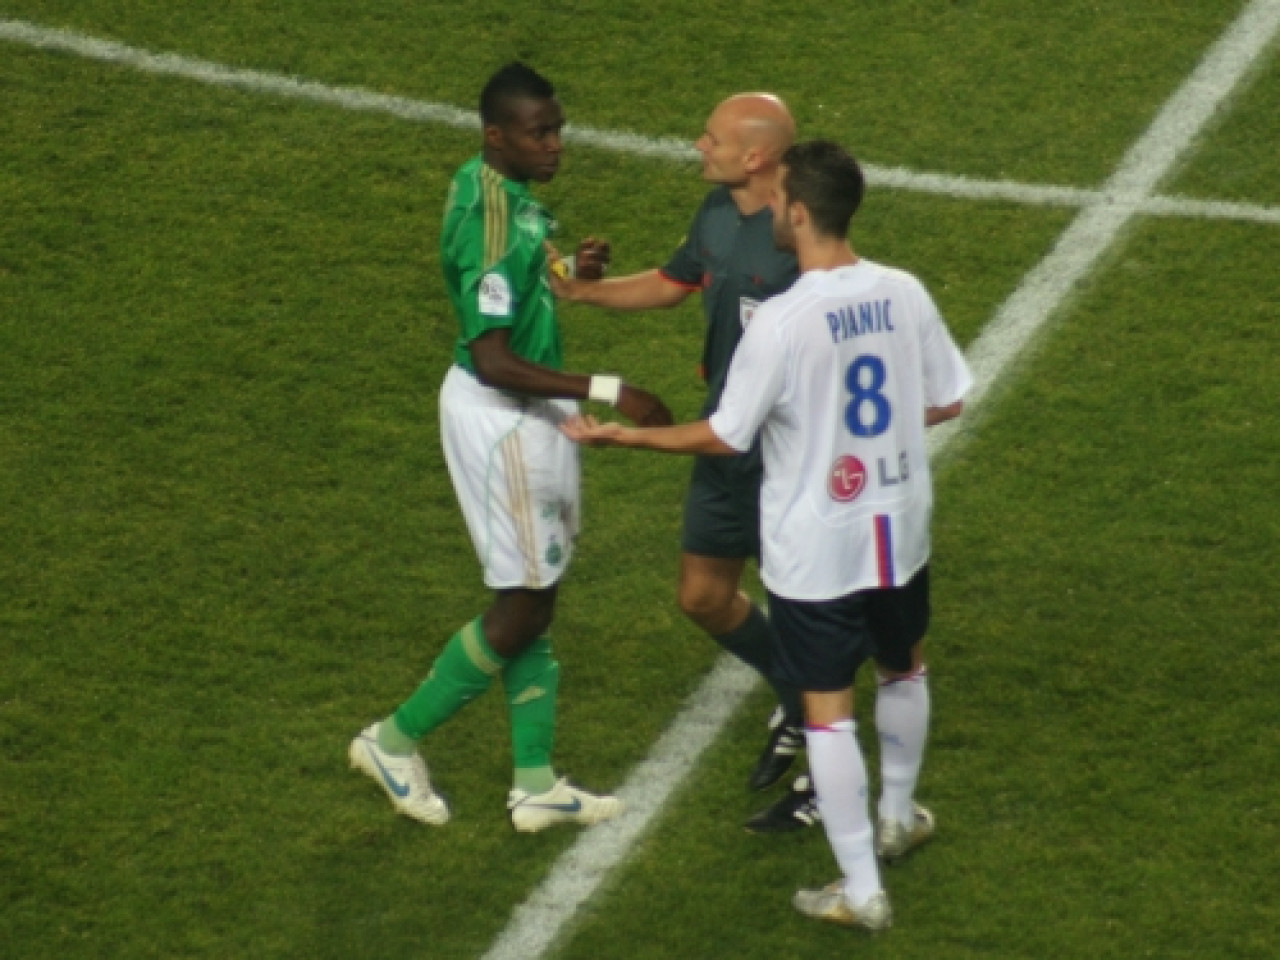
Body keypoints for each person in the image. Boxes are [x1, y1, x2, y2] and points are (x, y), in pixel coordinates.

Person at [562, 140, 971, 929]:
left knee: (827, 711)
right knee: (902, 669)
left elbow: (725, 434)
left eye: (780, 198)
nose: (770, 210)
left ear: (801, 212)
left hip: (819, 545)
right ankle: (898, 816)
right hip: (897, 525)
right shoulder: (904, 290)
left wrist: (626, 439)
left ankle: (861, 889)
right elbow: (947, 399)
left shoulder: (783, 321)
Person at [348, 62, 672, 833]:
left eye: (558, 128)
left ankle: (535, 782)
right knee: (523, 602)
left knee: (538, 593)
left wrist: (569, 274)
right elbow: (491, 354)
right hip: (503, 416)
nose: (556, 144)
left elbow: (524, 274)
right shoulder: (488, 219)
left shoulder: (506, 194)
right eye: (540, 133)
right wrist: (611, 388)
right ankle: (392, 741)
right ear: (497, 136)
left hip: (528, 413)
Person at [549, 93, 808, 798]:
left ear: (755, 155)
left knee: (808, 603)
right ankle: (798, 694)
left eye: (713, 137)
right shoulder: (720, 213)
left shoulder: (800, 227)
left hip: (793, 452)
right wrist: (581, 296)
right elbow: (672, 284)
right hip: (723, 438)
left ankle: (822, 732)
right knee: (702, 596)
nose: (699, 145)